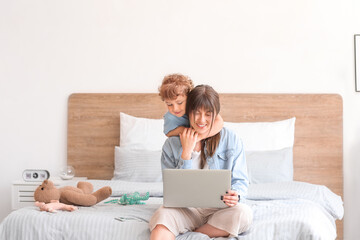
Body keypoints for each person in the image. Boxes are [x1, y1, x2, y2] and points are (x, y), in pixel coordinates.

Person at [149, 85, 253, 240]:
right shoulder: (172, 144)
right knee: (162, 216)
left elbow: (241, 181)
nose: (201, 120)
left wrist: (236, 195)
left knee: (244, 214)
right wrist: (186, 153)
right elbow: (173, 189)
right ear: (188, 112)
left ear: (216, 114)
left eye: (208, 114)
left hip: (220, 209)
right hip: (185, 209)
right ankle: (199, 229)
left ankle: (197, 232)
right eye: (196, 113)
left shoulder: (231, 139)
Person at [158, 73, 223, 139]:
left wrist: (200, 137)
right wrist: (181, 130)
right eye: (169, 104)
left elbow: (219, 122)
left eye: (180, 103)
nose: (175, 109)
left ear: (189, 98)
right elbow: (168, 133)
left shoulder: (198, 105)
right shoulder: (170, 117)